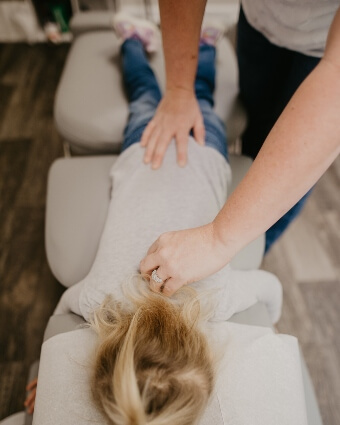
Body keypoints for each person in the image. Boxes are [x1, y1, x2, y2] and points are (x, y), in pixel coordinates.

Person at [24, 14, 282, 420]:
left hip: (203, 148)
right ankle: (134, 41)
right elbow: (62, 306)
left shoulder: (218, 301)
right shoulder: (97, 304)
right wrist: (49, 365)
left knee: (200, 96)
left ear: (204, 355)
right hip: (144, 150)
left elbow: (270, 289)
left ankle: (206, 42)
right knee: (145, 92)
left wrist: (271, 325)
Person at [140, 2, 340, 294]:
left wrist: (218, 241)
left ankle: (246, 255)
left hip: (327, 48)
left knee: (279, 199)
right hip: (261, 22)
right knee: (255, 135)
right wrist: (179, 90)